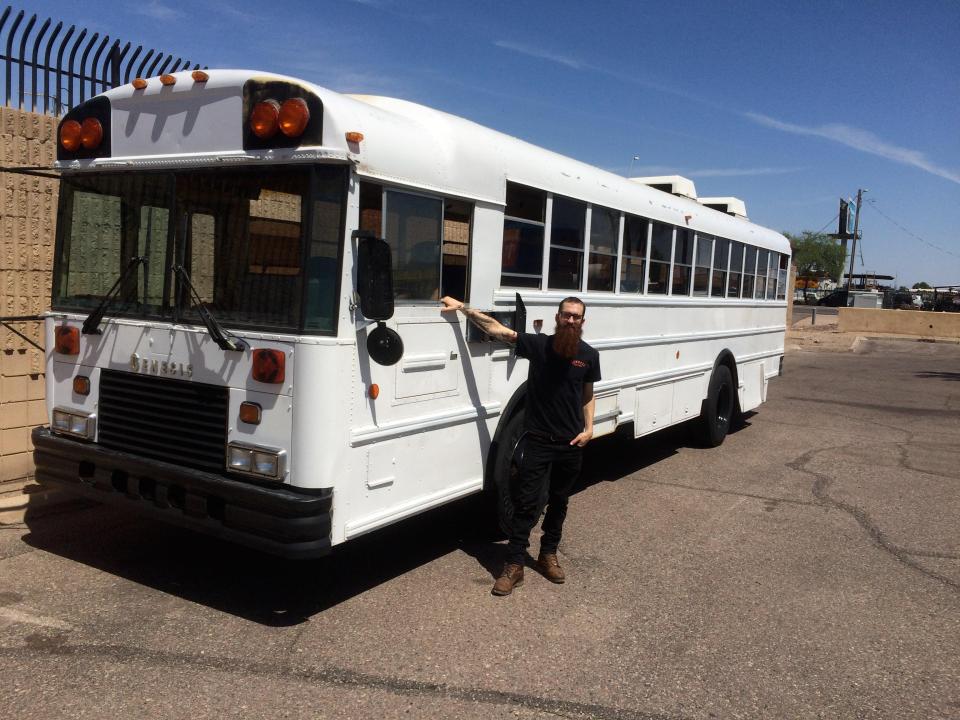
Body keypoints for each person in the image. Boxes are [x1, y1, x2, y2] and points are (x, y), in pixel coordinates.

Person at [440, 295, 600, 596]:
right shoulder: (539, 346)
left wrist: (589, 428)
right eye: (566, 315)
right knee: (526, 505)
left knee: (560, 502)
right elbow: (499, 330)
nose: (570, 320)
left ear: (582, 321)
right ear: (558, 316)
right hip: (538, 441)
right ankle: (514, 566)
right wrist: (463, 309)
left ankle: (547, 554)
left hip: (570, 443)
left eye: (576, 317)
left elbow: (588, 395)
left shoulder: (589, 355)